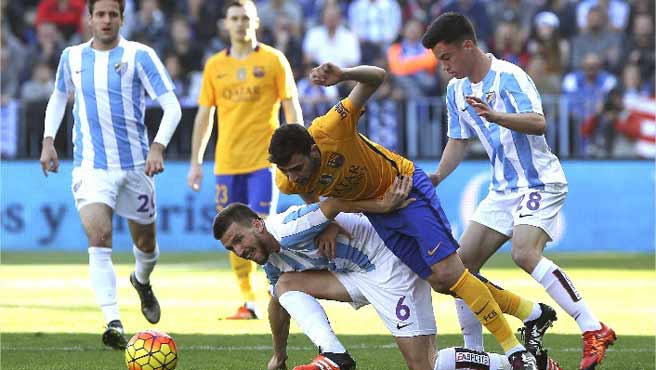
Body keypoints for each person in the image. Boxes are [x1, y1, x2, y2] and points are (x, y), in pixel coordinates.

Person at [268, 62, 547, 370]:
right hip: (380, 212)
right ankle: (532, 313)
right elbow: (309, 193)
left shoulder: (331, 127)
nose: (292, 177)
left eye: (296, 168)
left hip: (406, 189)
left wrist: (345, 75)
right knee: (440, 282)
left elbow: (377, 77)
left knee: (451, 273)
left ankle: (515, 352)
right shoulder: (289, 178)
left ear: (313, 150)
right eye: (286, 171)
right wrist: (328, 225)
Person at [421, 12, 616, 370]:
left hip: (540, 181)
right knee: (457, 269)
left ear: (468, 45)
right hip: (502, 190)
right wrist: (438, 176)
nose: (444, 67)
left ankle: (593, 328)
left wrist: (496, 116)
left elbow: (539, 121)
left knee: (524, 252)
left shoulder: (510, 77)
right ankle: (474, 352)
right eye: (439, 61)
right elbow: (458, 140)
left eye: (446, 57)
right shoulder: (456, 90)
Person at [213, 182, 545, 370]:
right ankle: (334, 355)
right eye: (232, 248)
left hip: (386, 264)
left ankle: (517, 364)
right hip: (354, 274)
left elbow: (338, 200)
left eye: (239, 240)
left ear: (257, 224)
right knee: (283, 287)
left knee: (425, 364)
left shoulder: (288, 227)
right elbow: (278, 304)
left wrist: (384, 205)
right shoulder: (269, 259)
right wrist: (279, 355)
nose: (239, 251)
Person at [39, 0, 181, 350]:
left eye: (112, 14)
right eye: (99, 14)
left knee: (145, 246)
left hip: (135, 166)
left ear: (121, 18)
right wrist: (47, 141)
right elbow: (58, 98)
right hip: (90, 166)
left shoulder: (139, 56)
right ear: (89, 19)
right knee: (99, 239)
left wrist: (158, 147)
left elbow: (172, 106)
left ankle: (141, 280)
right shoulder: (71, 57)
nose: (105, 20)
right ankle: (113, 322)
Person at [187, 0, 303, 320]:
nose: (239, 24)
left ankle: (275, 288)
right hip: (226, 164)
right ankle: (248, 300)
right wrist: (197, 161)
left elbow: (291, 107)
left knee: (259, 227)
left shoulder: (273, 60)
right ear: (226, 24)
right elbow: (204, 116)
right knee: (231, 233)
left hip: (263, 163)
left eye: (245, 18)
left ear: (256, 22)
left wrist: (299, 149)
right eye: (234, 18)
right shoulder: (215, 66)